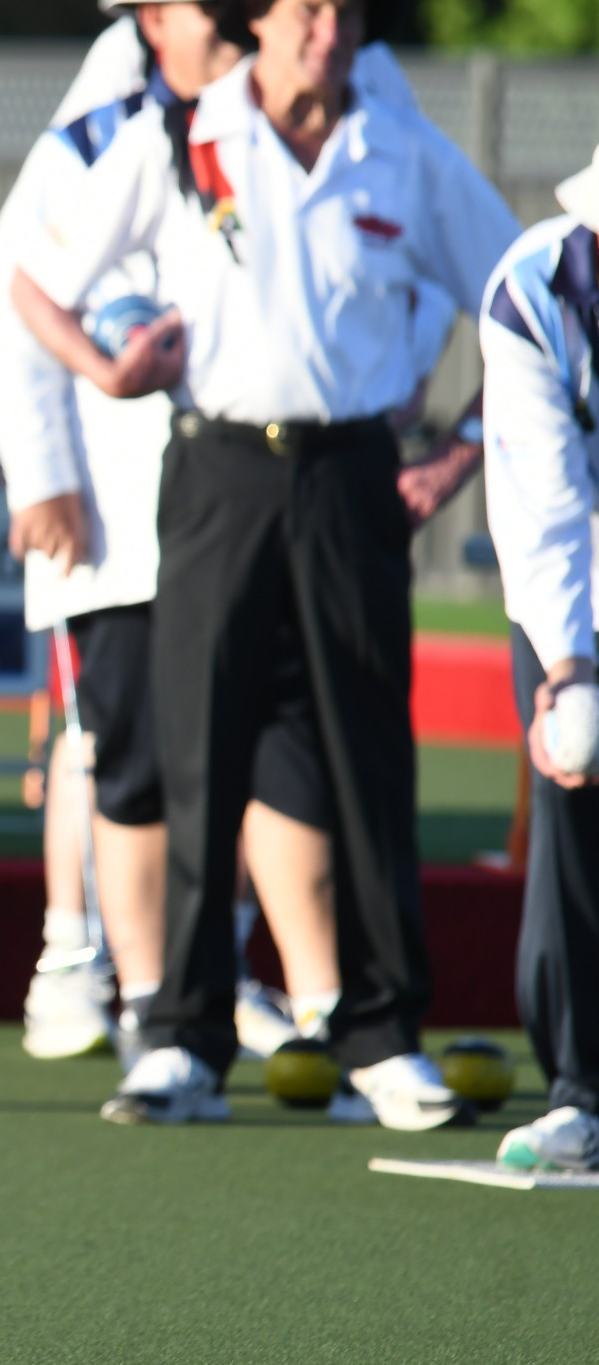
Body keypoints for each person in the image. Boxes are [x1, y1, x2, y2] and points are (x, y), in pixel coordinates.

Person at [11, 0, 518, 1129]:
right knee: (198, 747)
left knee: (367, 757)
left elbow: (520, 301)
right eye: (299, 9)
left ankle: (383, 1038)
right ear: (260, 18)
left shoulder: (401, 146)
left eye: (341, 10)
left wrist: (460, 455)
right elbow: (35, 286)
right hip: (214, 472)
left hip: (351, 477)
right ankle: (181, 1040)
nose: (324, 31)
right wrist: (104, 371)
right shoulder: (180, 137)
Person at [477, 146, 599, 1170]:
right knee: (571, 800)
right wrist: (565, 667)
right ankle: (580, 1090)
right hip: (572, 590)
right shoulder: (530, 292)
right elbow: (547, 507)